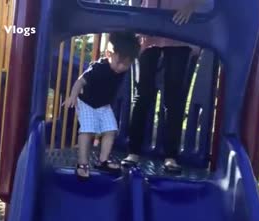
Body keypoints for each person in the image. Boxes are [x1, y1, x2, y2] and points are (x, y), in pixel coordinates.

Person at [122, 0, 206, 173]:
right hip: (149, 27)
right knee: (143, 93)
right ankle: (133, 151)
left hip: (179, 29)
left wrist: (191, 5)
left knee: (174, 96)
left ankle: (171, 156)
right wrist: (135, 17)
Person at [63, 31, 140, 180]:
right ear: (109, 54)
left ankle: (103, 160)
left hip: (103, 105)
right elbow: (80, 81)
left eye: (127, 64)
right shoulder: (99, 67)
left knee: (111, 130)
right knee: (88, 130)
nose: (121, 67)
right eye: (119, 62)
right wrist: (73, 96)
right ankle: (82, 163)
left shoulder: (122, 67)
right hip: (86, 102)